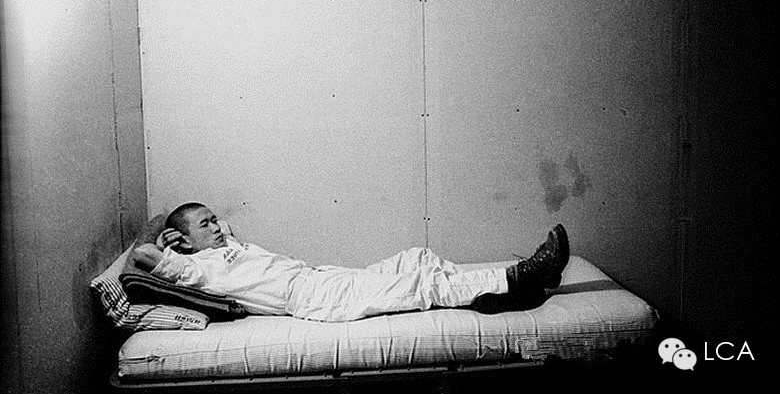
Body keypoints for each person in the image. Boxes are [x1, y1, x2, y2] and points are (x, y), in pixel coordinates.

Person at [133, 202, 569, 322]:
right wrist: (168, 240)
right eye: (206, 224)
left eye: (215, 219)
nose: (218, 226)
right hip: (313, 299)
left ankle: (491, 294)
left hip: (321, 276)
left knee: (416, 257)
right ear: (183, 240)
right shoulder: (198, 269)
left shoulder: (227, 248)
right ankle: (522, 276)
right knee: (420, 284)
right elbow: (142, 253)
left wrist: (198, 233)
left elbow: (222, 231)